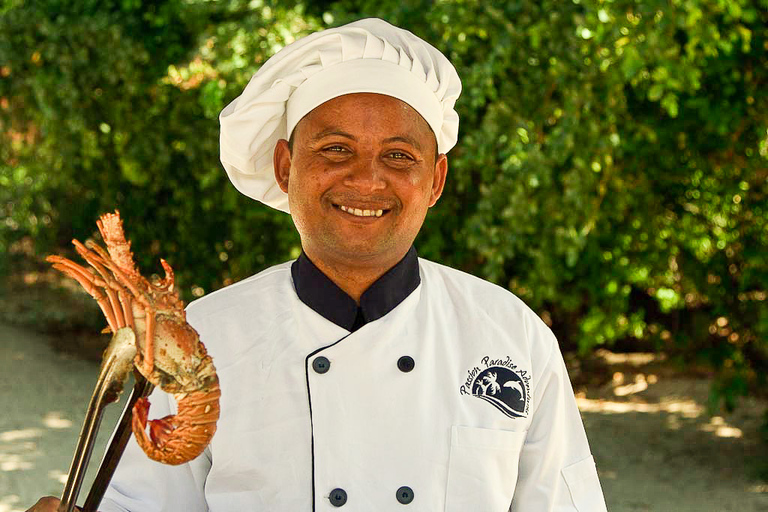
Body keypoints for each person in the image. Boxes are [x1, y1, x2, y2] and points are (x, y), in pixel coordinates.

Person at [28, 18, 607, 512]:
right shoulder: (202, 340)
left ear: (435, 180)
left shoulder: (511, 336)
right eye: (335, 149)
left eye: (398, 156)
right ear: (285, 168)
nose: (366, 179)